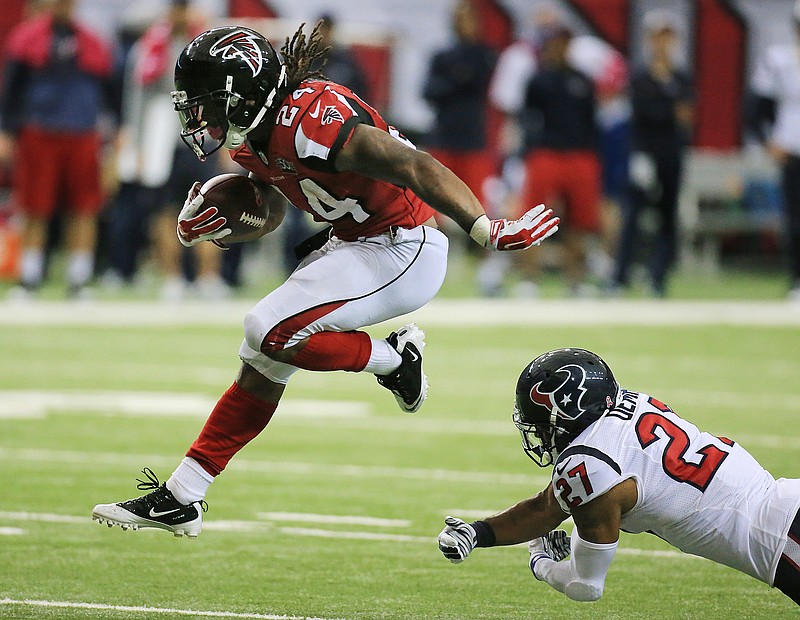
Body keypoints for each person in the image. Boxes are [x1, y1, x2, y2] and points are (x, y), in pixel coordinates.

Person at [91, 23, 559, 537]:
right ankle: (184, 494)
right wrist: (224, 224)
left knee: (268, 328)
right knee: (263, 360)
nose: (198, 116)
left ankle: (393, 359)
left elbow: (413, 164)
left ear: (242, 95)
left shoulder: (312, 120)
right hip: (352, 244)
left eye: (207, 101)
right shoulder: (254, 137)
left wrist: (485, 227)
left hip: (405, 246)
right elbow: (273, 205)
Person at [437, 348, 800, 605]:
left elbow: (585, 585)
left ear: (566, 413)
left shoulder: (590, 467)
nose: (537, 433)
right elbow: (550, 506)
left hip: (779, 540)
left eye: (538, 422)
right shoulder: (627, 405)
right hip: (785, 500)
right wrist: (479, 532)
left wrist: (540, 561)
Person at [109, 0, 235, 300]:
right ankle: (173, 278)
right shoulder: (150, 47)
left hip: (201, 138)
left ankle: (208, 277)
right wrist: (137, 145)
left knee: (210, 205)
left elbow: (223, 98)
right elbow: (136, 99)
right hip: (161, 140)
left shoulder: (208, 49)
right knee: (164, 212)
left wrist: (227, 144)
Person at [0, 0, 115, 299]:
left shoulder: (91, 41)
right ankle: (29, 277)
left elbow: (110, 94)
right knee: (33, 206)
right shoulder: (27, 38)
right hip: (39, 131)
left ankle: (78, 279)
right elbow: (11, 91)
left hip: (82, 132)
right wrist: (7, 132)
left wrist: (114, 136)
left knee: (84, 207)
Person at [610, 11, 693, 298]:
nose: (662, 43)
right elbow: (644, 115)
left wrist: (666, 110)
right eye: (657, 36)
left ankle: (658, 277)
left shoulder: (680, 77)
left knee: (666, 216)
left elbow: (685, 118)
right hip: (645, 152)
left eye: (666, 36)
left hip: (671, 152)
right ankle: (620, 276)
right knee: (632, 215)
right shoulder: (641, 76)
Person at [516, 23, 601, 296]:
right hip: (546, 155)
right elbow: (527, 119)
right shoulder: (538, 80)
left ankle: (575, 281)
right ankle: (530, 278)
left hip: (579, 156)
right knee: (533, 218)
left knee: (580, 222)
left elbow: (591, 121)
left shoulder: (582, 81)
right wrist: (530, 150)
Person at [422, 0, 498, 248]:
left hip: (473, 138)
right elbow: (429, 92)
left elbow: (476, 82)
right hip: (444, 135)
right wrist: (458, 80)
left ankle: (481, 252)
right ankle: (430, 247)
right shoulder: (443, 55)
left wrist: (454, 81)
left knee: (478, 205)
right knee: (433, 197)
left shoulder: (484, 55)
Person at [748, 0, 800, 302]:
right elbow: (756, 109)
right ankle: (797, 278)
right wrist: (769, 142)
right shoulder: (780, 60)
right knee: (795, 221)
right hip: (791, 149)